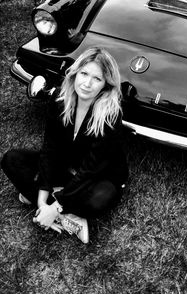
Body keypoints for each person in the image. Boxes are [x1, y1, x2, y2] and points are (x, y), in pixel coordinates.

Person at [1, 47, 129, 244]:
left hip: (100, 175)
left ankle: (49, 203)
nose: (87, 83)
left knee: (97, 201)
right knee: (12, 159)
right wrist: (43, 200)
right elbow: (50, 149)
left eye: (97, 79)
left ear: (105, 85)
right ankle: (67, 216)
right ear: (75, 73)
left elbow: (90, 170)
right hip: (67, 164)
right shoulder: (60, 98)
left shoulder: (110, 115)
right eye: (84, 74)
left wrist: (54, 208)